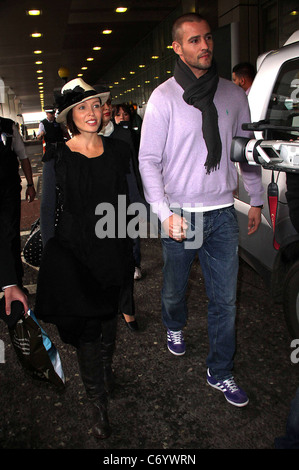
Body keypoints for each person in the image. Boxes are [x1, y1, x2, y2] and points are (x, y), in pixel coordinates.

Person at [138, 13, 264, 408]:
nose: (204, 45)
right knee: (175, 289)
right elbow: (148, 160)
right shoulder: (163, 97)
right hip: (180, 214)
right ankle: (173, 325)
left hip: (223, 213)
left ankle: (221, 372)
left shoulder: (232, 94)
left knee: (225, 301)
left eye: (207, 38)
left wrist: (256, 197)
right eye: (193, 40)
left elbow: (245, 152)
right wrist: (163, 213)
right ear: (176, 48)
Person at [35, 78, 134, 439]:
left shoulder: (120, 150)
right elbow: (48, 211)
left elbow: (129, 202)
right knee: (89, 329)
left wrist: (131, 249)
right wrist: (51, 259)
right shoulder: (57, 155)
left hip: (112, 250)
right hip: (74, 254)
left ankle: (106, 375)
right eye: (82, 107)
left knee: (109, 323)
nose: (91, 113)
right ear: (69, 117)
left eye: (95, 105)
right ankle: (98, 404)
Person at [100, 92, 144, 331]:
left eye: (108, 103)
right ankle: (106, 303)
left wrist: (138, 201)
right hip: (96, 207)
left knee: (126, 256)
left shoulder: (124, 135)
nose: (106, 108)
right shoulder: (85, 138)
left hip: (123, 202)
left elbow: (133, 169)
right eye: (100, 104)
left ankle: (127, 307)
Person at [0, 116, 36, 294]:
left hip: (8, 191)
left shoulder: (8, 127)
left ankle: (16, 282)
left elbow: (23, 156)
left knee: (11, 234)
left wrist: (30, 184)